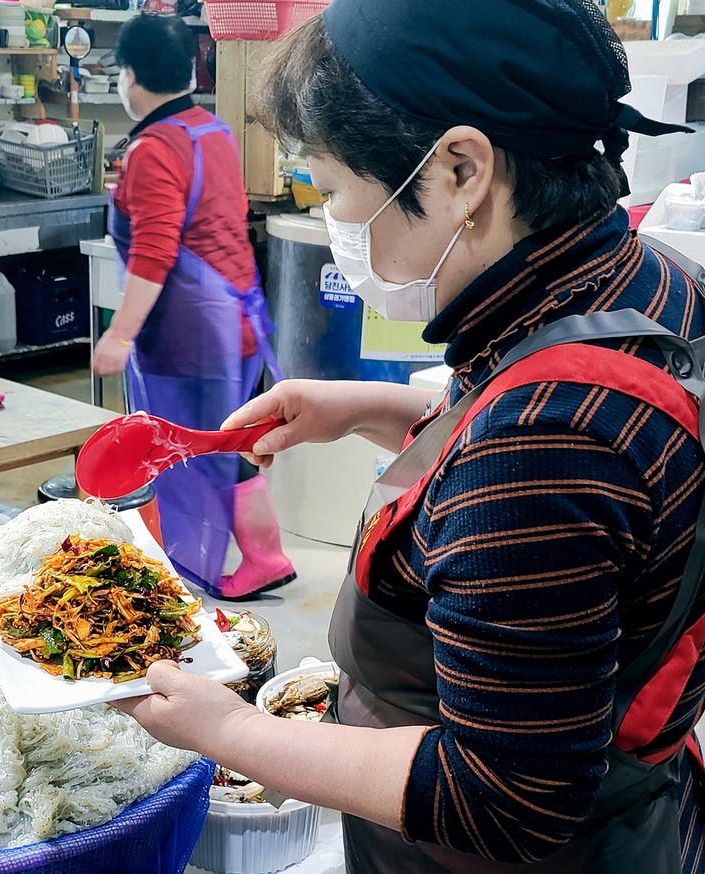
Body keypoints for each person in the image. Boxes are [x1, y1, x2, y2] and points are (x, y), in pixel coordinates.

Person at [114, 1, 705, 871]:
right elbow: (598, 504)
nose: (337, 223)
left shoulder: (539, 444)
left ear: (462, 169)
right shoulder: (644, 275)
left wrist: (232, 730)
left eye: (334, 189)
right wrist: (371, 408)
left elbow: (505, 796)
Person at [90, 13, 295, 600]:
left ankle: (183, 576)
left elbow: (154, 253)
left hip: (191, 335)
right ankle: (265, 556)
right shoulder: (213, 129)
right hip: (238, 320)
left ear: (129, 76)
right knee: (227, 443)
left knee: (180, 449)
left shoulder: (155, 149)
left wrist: (119, 336)